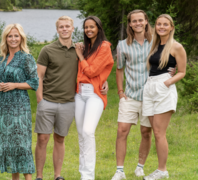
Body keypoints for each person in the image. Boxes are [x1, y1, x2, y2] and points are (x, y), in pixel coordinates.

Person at [34, 16, 109, 180]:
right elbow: (38, 76)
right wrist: (40, 99)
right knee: (43, 138)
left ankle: (58, 175)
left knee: (60, 138)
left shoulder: (80, 49)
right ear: (57, 29)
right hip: (48, 100)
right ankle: (39, 176)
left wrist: (104, 82)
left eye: (68, 26)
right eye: (61, 27)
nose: (64, 29)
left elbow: (92, 70)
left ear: (73, 28)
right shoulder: (47, 50)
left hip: (69, 102)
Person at [111, 9, 154, 180]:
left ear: (145, 22)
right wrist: (120, 92)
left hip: (150, 96)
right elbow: (119, 69)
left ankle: (140, 167)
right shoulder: (122, 45)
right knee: (122, 131)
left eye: (140, 20)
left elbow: (168, 61)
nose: (137, 23)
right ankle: (120, 171)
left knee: (146, 132)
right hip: (130, 95)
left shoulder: (156, 43)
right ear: (130, 24)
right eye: (134, 21)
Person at [142, 14, 186, 180]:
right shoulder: (155, 45)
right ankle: (161, 170)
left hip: (163, 88)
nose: (161, 27)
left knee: (160, 132)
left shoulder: (176, 47)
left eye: (165, 24)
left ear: (171, 27)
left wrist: (166, 83)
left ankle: (162, 171)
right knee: (155, 132)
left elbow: (182, 72)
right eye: (159, 24)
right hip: (150, 86)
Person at [0, 23, 39, 180]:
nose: (13, 39)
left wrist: (14, 85)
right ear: (5, 38)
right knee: (9, 146)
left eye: (16, 36)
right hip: (4, 109)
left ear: (21, 38)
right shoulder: (1, 59)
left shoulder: (26, 58)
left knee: (21, 145)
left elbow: (34, 83)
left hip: (20, 109)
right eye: (10, 36)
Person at [74, 16, 114, 180]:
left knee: (88, 131)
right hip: (79, 93)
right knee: (81, 134)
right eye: (86, 27)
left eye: (92, 27)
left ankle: (88, 176)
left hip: (95, 94)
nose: (88, 30)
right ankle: (84, 173)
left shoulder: (104, 47)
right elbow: (80, 73)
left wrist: (80, 57)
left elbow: (92, 71)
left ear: (99, 27)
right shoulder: (86, 47)